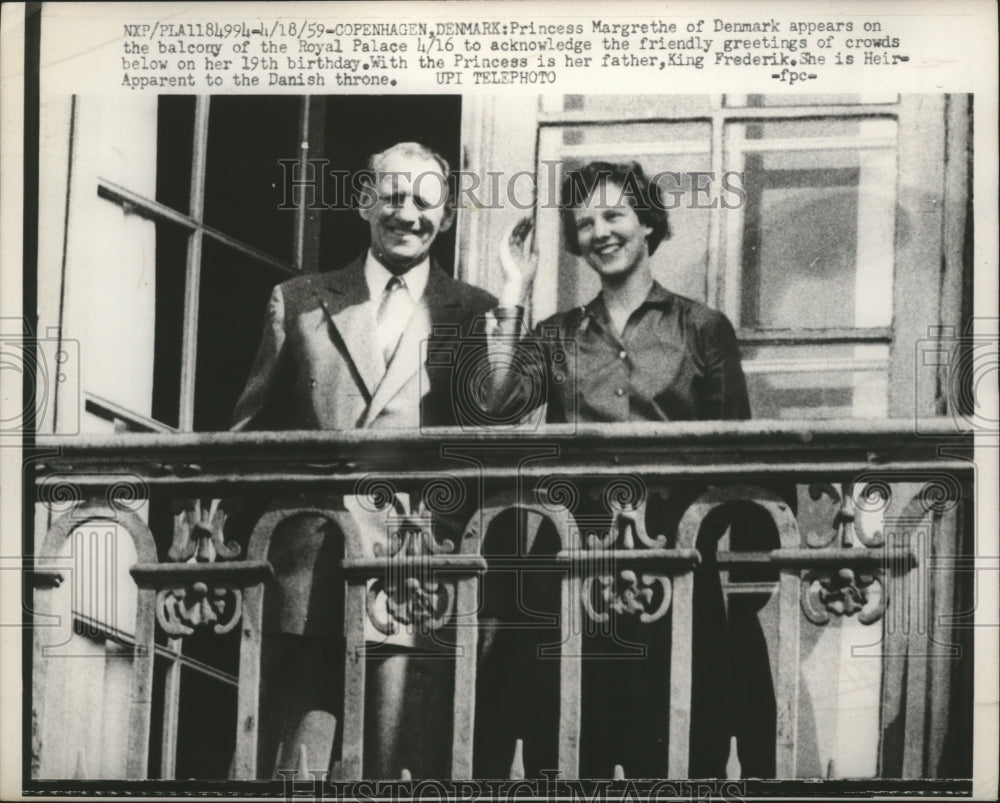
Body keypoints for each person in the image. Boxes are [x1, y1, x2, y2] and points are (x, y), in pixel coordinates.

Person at [476, 161, 773, 778]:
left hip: (677, 571)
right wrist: (514, 289)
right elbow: (496, 407)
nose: (599, 232)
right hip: (573, 573)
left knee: (675, 754)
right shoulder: (558, 335)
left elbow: (741, 462)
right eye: (584, 223)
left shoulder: (701, 329)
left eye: (613, 215)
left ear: (647, 225)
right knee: (571, 751)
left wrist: (742, 590)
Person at [233, 142, 497, 779]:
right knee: (297, 769)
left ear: (450, 215)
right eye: (393, 196)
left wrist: (514, 302)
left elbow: (501, 436)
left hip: (417, 572)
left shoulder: (479, 313)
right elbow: (244, 440)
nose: (408, 213)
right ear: (363, 203)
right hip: (306, 578)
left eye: (425, 200)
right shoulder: (298, 301)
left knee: (400, 769)